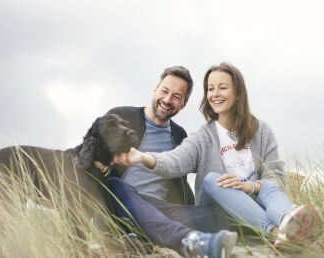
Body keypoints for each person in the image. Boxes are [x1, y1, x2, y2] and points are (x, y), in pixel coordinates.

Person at [113, 62, 323, 247]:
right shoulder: (203, 137)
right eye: (210, 89)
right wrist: (143, 157)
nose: (215, 94)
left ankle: (290, 220)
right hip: (218, 211)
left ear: (238, 92)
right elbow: (175, 160)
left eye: (222, 87)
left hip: (257, 203)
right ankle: (274, 232)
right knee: (214, 180)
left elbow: (276, 177)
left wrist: (250, 186)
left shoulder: (262, 131)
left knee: (271, 185)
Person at [107, 66, 237, 258]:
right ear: (155, 90)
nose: (167, 100)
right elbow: (91, 160)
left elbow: (180, 181)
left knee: (223, 214)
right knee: (114, 185)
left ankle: (144, 237)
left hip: (162, 213)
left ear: (183, 103)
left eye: (177, 96)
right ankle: (189, 241)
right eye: (164, 91)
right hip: (121, 207)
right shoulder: (121, 117)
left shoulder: (179, 135)